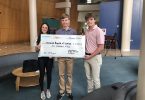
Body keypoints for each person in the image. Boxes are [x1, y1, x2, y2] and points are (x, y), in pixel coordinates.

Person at [56, 13, 77, 100]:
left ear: (69, 21)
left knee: (69, 75)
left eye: (66, 20)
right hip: (60, 57)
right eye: (63, 20)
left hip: (70, 57)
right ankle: (61, 91)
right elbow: (56, 44)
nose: (65, 22)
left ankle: (68, 91)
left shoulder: (73, 31)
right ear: (61, 22)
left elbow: (76, 44)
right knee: (61, 74)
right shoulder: (58, 32)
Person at [84, 13, 105, 93]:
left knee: (96, 79)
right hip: (86, 57)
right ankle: (90, 94)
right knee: (89, 78)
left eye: (91, 19)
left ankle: (98, 97)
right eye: (88, 20)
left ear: (94, 20)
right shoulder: (87, 31)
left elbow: (101, 47)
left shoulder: (99, 31)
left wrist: (90, 56)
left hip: (95, 58)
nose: (89, 21)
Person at [35, 23, 54, 100]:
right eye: (43, 27)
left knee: (49, 74)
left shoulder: (51, 37)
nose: (44, 28)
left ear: (48, 28)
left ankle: (48, 90)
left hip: (49, 58)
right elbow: (36, 50)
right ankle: (42, 91)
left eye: (46, 27)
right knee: (42, 74)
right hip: (41, 58)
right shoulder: (38, 37)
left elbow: (54, 47)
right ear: (41, 28)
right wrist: (38, 46)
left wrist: (52, 54)